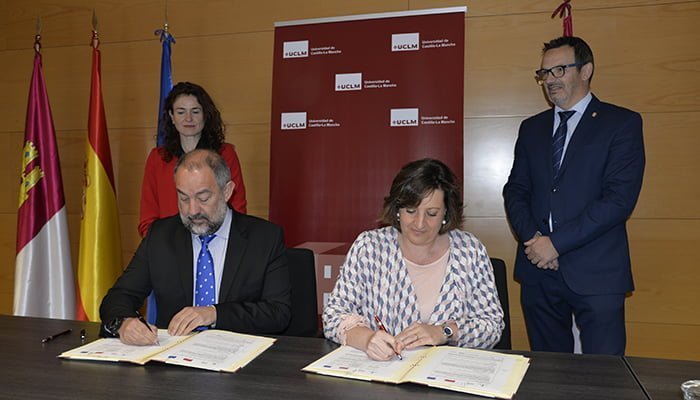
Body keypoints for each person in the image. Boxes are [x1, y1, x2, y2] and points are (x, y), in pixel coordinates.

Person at [503, 36, 645, 355]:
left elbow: (618, 200)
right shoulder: (531, 128)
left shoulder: (621, 123)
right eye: (544, 73)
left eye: (560, 70)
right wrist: (533, 239)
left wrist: (556, 243)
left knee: (602, 374)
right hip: (538, 270)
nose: (550, 80)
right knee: (549, 371)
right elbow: (516, 190)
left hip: (597, 271)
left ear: (586, 70)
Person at [100, 149, 291, 345]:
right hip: (173, 355)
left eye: (203, 198)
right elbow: (119, 296)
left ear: (227, 191)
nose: (192, 210)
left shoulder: (264, 238)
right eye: (183, 198)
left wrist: (214, 313)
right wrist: (124, 323)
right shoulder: (161, 236)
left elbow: (278, 313)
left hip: (239, 355)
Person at [323, 158, 504, 361]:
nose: (419, 223)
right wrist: (367, 339)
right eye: (410, 211)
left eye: (431, 214)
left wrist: (444, 332)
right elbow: (333, 315)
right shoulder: (370, 247)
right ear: (397, 210)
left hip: (447, 373)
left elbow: (492, 326)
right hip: (382, 371)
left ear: (446, 212)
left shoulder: (470, 251)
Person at [139, 81, 247, 237]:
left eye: (195, 111)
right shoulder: (157, 158)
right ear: (172, 117)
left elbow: (238, 208)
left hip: (216, 241)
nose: (188, 118)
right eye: (181, 112)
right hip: (169, 243)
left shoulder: (225, 154)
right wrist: (161, 246)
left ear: (205, 115)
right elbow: (148, 218)